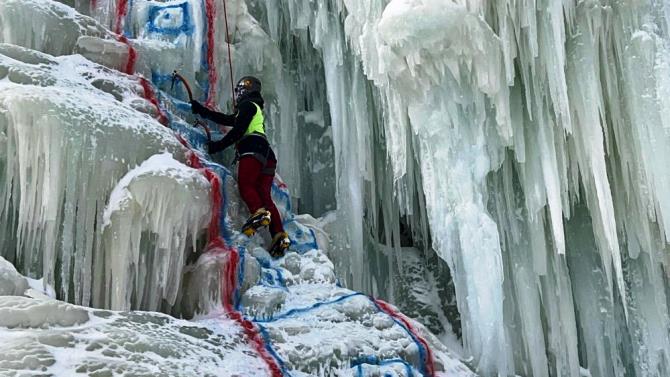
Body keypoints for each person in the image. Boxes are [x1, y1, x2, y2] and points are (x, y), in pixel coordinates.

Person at [190, 76, 290, 258]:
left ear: (245, 91)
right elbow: (228, 120)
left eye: (239, 91)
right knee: (264, 194)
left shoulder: (248, 106)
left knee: (246, 184)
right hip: (267, 155)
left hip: (253, 148)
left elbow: (238, 131)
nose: (237, 95)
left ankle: (258, 213)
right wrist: (202, 111)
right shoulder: (253, 108)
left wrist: (217, 146)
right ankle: (279, 235)